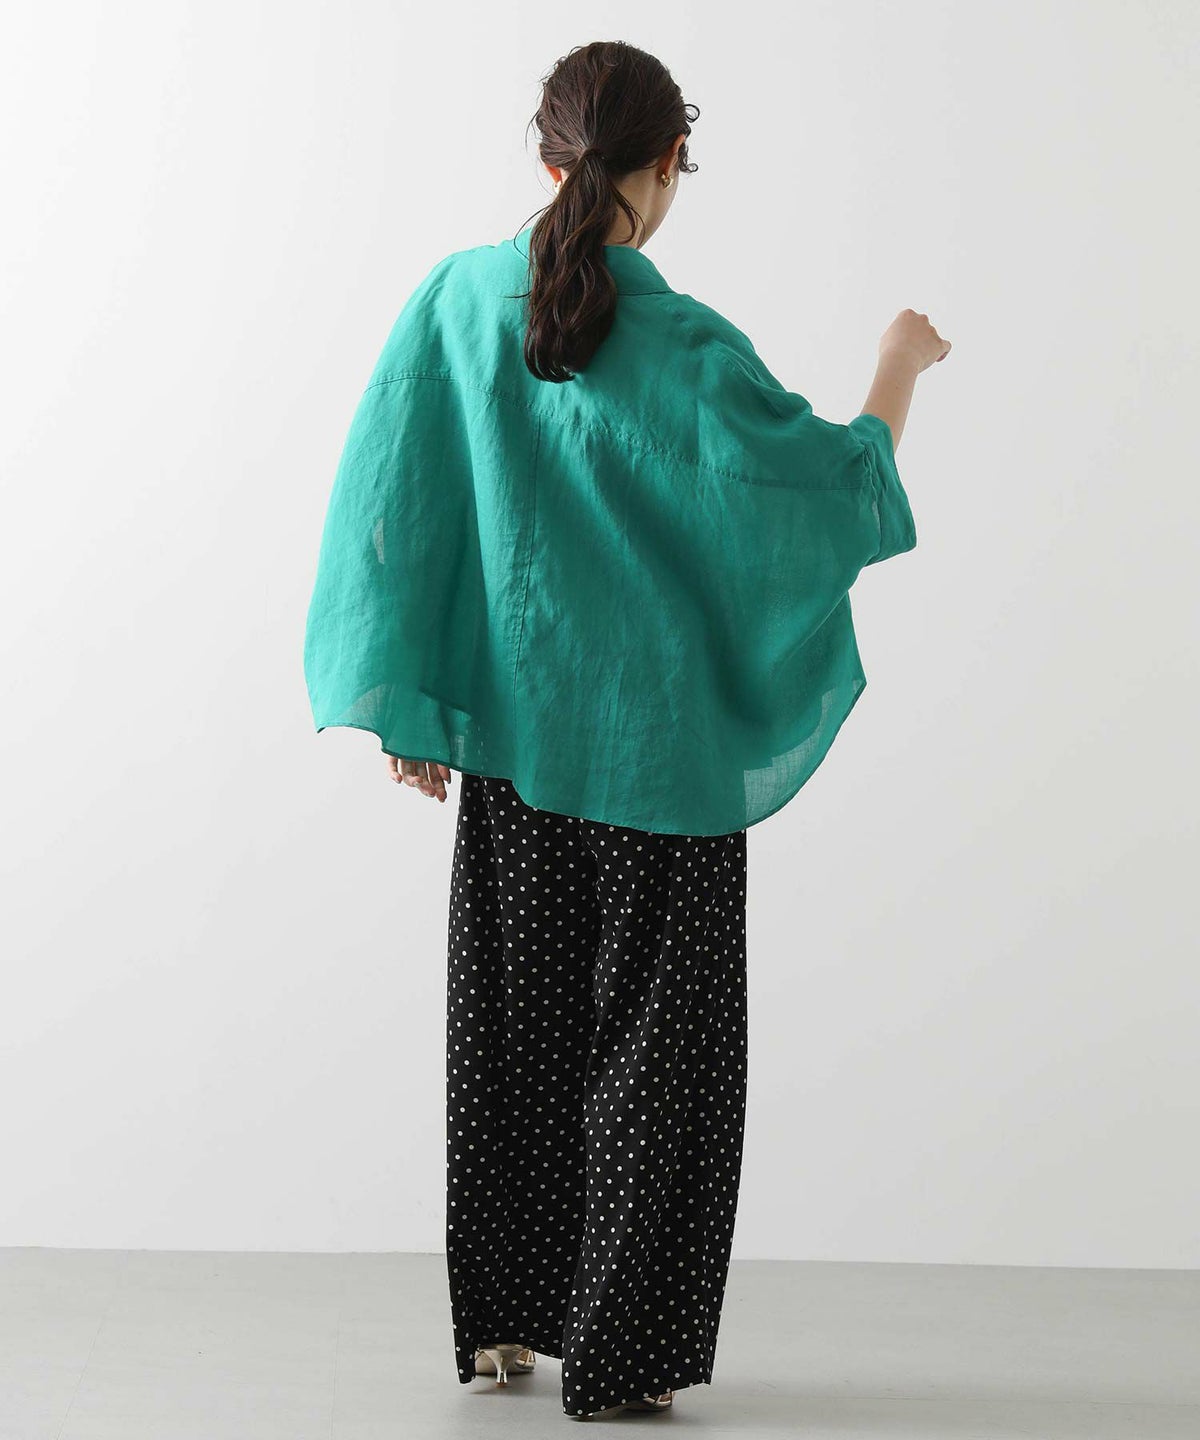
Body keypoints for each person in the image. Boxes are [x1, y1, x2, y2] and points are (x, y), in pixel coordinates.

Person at [303, 38, 950, 1422]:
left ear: (546, 159)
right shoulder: (688, 347)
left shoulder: (456, 299)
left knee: (513, 1040)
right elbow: (828, 495)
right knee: (659, 1063)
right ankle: (622, 1359)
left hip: (517, 754)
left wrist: (410, 697)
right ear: (664, 168)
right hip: (663, 764)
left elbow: (389, 497)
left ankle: (502, 1327)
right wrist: (899, 365)